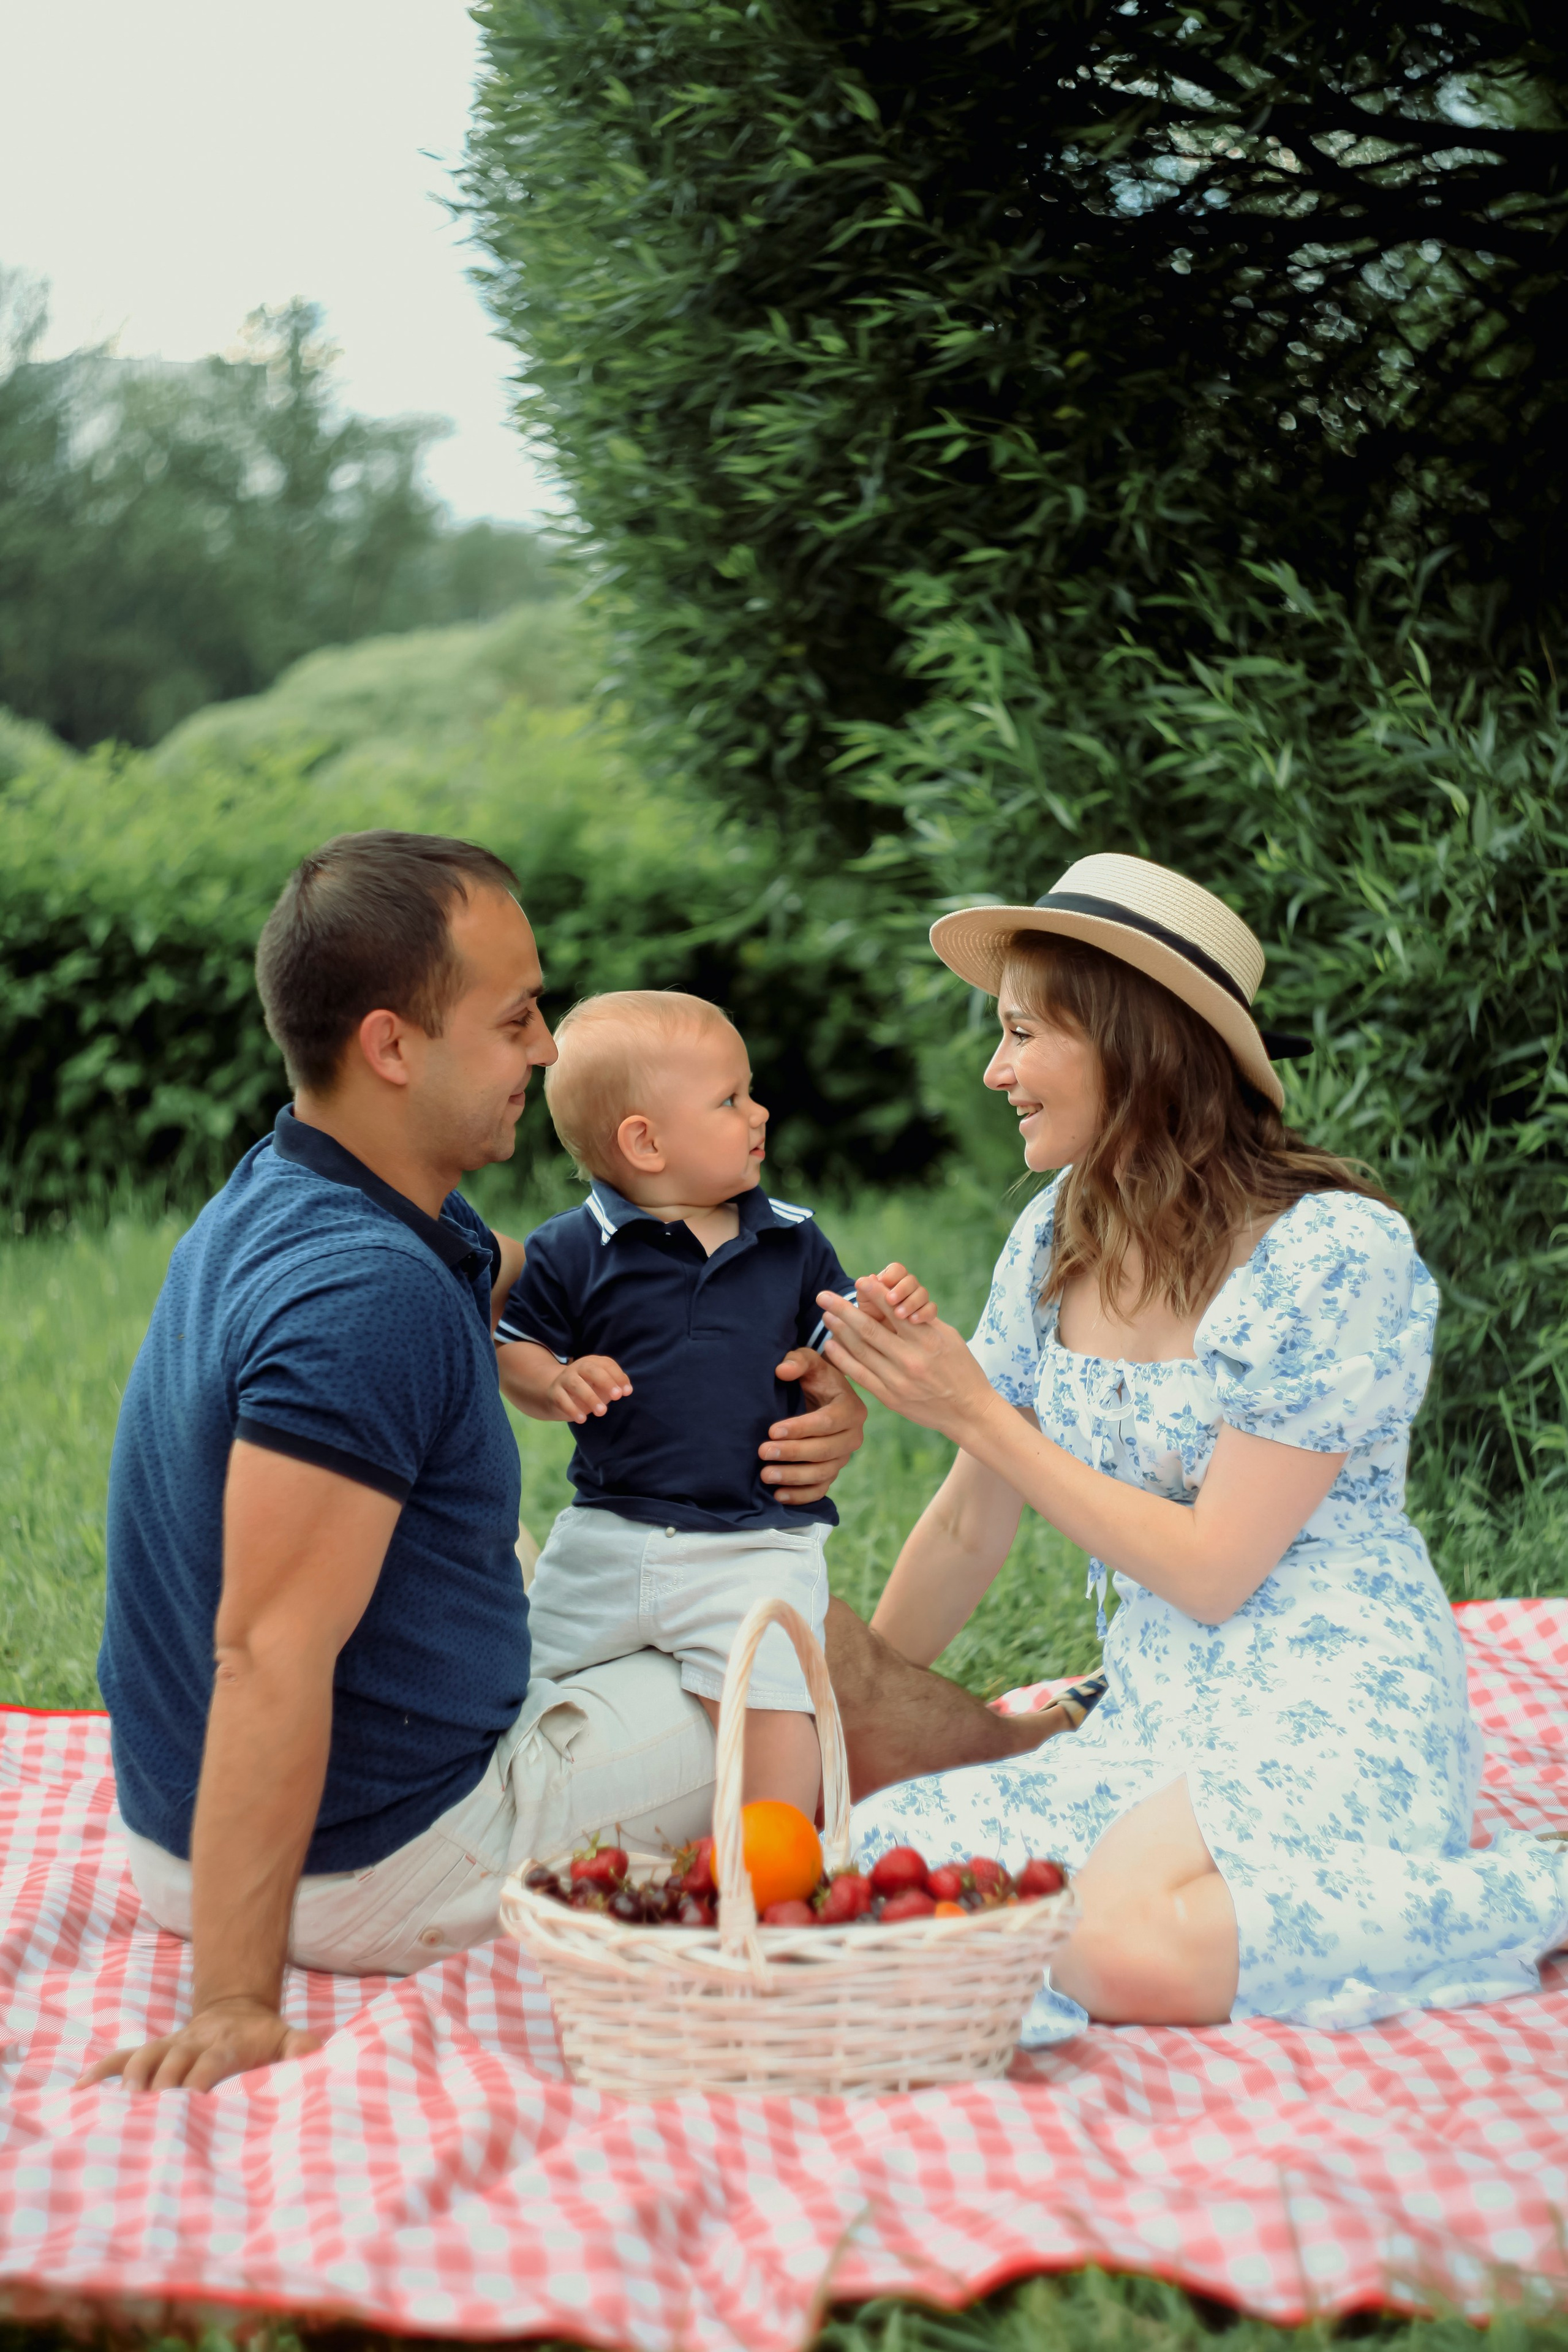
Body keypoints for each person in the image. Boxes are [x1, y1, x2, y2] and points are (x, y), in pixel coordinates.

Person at [85, 830, 1069, 2094]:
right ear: (392, 1046)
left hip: (173, 1824)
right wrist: (230, 2001)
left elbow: (530, 1277)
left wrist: (790, 1372)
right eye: (515, 1020)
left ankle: (950, 1734)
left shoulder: (316, 1190)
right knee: (779, 1619)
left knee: (658, 1560)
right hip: (366, 1864)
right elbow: (266, 1653)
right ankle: (1015, 1762)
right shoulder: (364, 1302)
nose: (548, 1051)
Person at [819, 851, 1568, 2042]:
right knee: (857, 1866)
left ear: (1128, 1041)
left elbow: (1216, 1570)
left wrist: (974, 1411)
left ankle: (1540, 1887)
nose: (993, 1069)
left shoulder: (1330, 1252)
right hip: (1161, 1698)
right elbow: (971, 1519)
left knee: (1128, 1947)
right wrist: (844, 1715)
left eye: (1020, 1033)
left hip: (1327, 1683)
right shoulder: (1051, 1237)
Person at [495, 990, 934, 1815]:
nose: (759, 1112)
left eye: (750, 1090)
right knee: (518, 1680)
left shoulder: (791, 1240)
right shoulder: (571, 1249)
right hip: (608, 1532)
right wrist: (553, 1383)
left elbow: (834, 1340)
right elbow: (511, 1346)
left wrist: (877, 1319)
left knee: (776, 1710)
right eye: (731, 1100)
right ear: (644, 1142)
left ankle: (769, 1869)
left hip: (751, 1542)